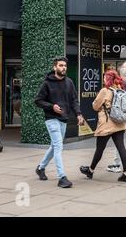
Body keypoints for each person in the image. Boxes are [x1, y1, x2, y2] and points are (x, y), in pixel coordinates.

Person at [35, 57, 85, 188]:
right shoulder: (47, 83)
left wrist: (79, 114)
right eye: (61, 65)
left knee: (54, 146)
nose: (64, 68)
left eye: (65, 66)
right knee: (58, 146)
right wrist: (52, 106)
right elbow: (38, 101)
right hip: (51, 118)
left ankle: (40, 168)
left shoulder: (69, 82)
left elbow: (74, 100)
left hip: (64, 118)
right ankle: (62, 177)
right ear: (55, 67)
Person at [79, 70, 126, 182]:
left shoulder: (104, 90)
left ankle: (90, 171)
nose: (103, 79)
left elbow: (95, 106)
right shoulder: (120, 89)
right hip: (119, 123)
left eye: (104, 77)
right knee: (121, 147)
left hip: (107, 124)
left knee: (99, 149)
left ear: (107, 79)